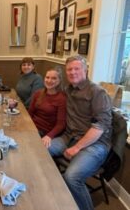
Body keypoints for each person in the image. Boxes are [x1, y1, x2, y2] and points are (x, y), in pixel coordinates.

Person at [48, 56, 112, 210]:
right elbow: (51, 88)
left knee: (72, 177)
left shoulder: (98, 92)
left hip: (94, 145)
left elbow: (100, 127)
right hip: (69, 137)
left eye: (77, 68)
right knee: (40, 150)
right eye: (69, 69)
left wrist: (77, 148)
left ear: (86, 70)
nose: (72, 72)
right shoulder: (68, 89)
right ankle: (52, 194)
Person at [28, 67, 66, 148]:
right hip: (32, 128)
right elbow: (30, 114)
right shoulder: (38, 93)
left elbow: (61, 124)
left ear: (59, 80)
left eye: (54, 78)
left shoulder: (62, 99)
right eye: (47, 77)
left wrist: (49, 136)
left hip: (45, 132)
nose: (49, 81)